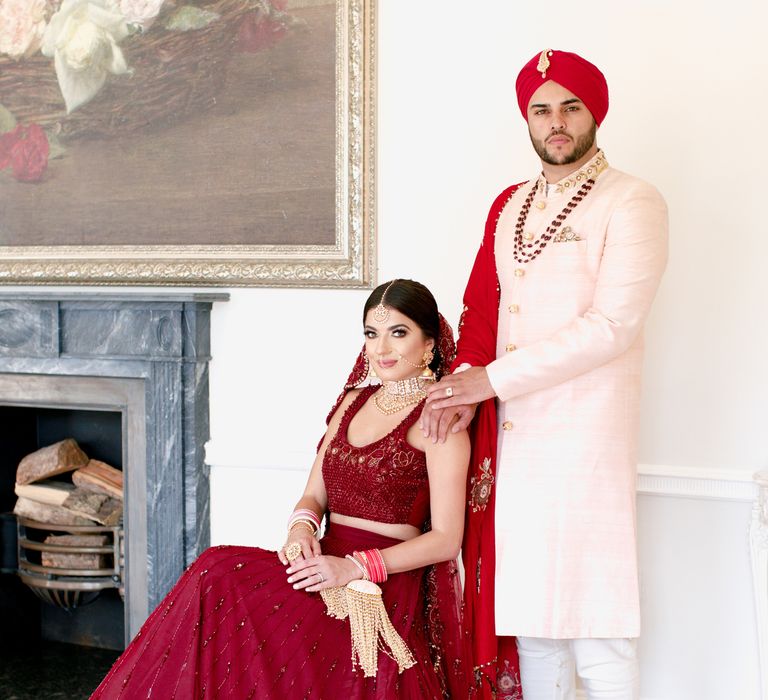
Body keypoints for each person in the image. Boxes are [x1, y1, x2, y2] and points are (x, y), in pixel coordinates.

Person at [91, 279, 472, 699]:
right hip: (322, 564)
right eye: (371, 333)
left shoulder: (439, 419)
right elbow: (313, 495)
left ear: (430, 343)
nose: (381, 348)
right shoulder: (353, 403)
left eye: (398, 333)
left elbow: (446, 539)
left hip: (380, 582)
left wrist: (354, 567)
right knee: (215, 569)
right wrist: (301, 531)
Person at [423, 49, 669, 699]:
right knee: (534, 625)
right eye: (541, 109)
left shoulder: (632, 201)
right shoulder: (510, 205)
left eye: (570, 107)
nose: (555, 122)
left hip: (588, 436)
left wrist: (490, 382)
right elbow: (482, 309)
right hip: (516, 440)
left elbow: (612, 325)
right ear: (526, 121)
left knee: (598, 623)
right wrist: (461, 388)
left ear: (595, 114)